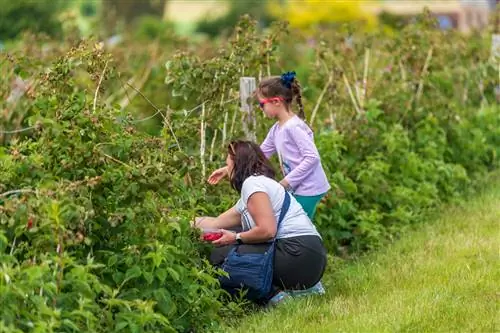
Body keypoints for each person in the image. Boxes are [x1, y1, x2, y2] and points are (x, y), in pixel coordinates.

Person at [195, 140, 327, 305]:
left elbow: (267, 231)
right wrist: (178, 221)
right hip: (312, 257)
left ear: (237, 163)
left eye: (227, 162)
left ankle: (275, 297)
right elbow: (215, 223)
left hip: (296, 253)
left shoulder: (252, 185)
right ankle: (304, 289)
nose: (226, 166)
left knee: (221, 251)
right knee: (235, 230)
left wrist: (235, 237)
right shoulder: (259, 186)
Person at [208, 71, 330, 221]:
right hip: (298, 187)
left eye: (261, 104)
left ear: (276, 102)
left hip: (309, 188)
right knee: (291, 224)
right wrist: (228, 169)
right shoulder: (277, 129)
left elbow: (312, 158)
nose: (260, 108)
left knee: (294, 225)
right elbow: (260, 154)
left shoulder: (293, 127)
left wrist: (285, 182)